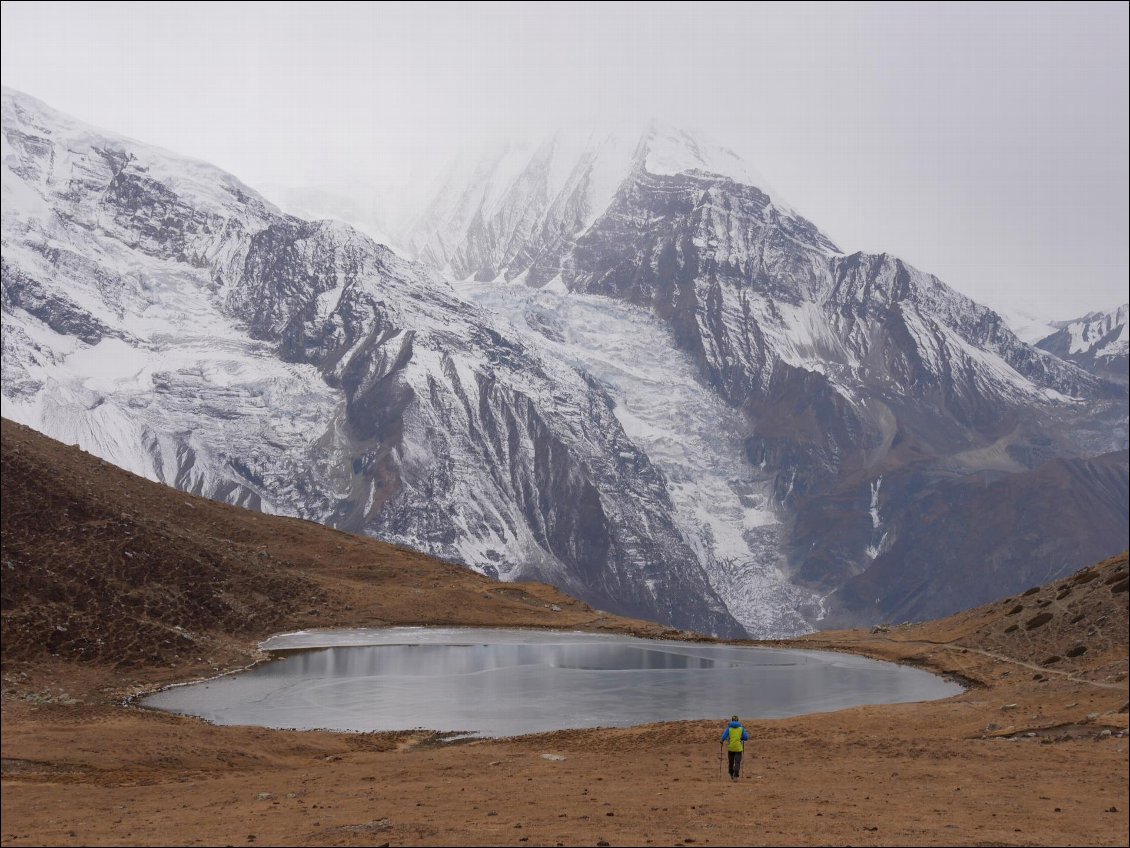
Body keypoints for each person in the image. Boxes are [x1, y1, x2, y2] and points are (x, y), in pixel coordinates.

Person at [720, 714, 749, 781]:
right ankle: (736, 776)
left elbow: (723, 736)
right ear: (738, 720)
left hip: (731, 748)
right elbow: (746, 738)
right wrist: (741, 738)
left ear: (732, 720)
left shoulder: (729, 728)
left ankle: (731, 773)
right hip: (738, 748)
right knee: (737, 762)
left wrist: (721, 741)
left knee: (731, 762)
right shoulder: (741, 728)